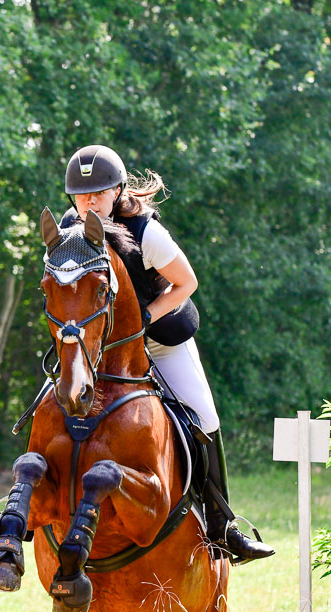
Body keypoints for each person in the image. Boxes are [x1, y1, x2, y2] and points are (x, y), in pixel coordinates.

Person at [60, 144, 274, 564]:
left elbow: (187, 283)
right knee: (56, 403)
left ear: (118, 190)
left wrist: (144, 318)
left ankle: (222, 525)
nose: (90, 202)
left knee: (204, 416)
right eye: (82, 196)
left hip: (161, 340)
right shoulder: (69, 233)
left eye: (99, 193)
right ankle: (20, 509)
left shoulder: (146, 233)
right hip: (102, 348)